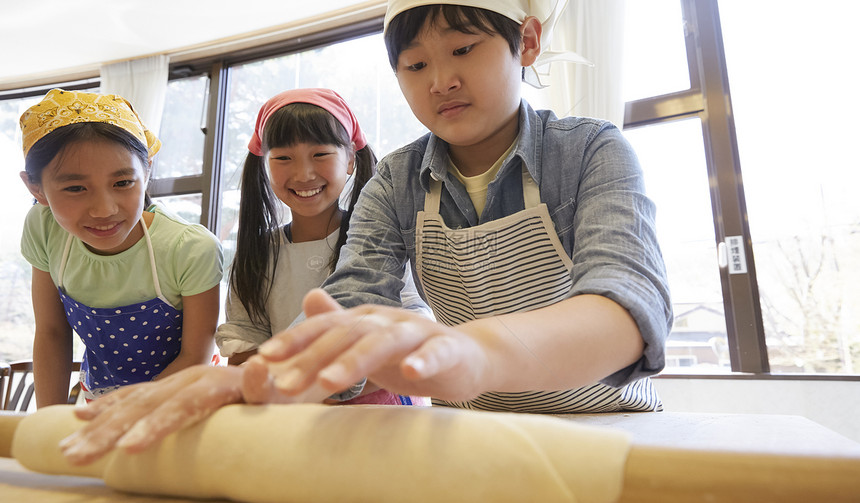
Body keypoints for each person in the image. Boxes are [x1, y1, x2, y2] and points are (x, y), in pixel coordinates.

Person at [59, 0, 671, 465]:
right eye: (416, 64)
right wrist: (253, 378)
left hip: (608, 427)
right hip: (475, 437)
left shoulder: (591, 151)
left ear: (527, 43)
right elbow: (353, 299)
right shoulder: (399, 180)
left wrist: (477, 353)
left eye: (463, 50)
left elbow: (625, 304)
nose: (441, 81)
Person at [216, 88, 430, 405]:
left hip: (380, 412)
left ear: (349, 161)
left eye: (320, 154)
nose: (303, 174)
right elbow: (241, 346)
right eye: (283, 158)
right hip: (289, 412)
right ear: (265, 164)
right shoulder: (257, 254)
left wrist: (325, 389)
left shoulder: (381, 240)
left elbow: (411, 331)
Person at [18, 89, 223, 406]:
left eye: (123, 183)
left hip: (184, 401)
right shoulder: (44, 228)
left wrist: (121, 416)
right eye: (75, 188)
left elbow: (195, 356)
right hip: (99, 400)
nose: (104, 210)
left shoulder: (189, 247)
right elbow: (51, 333)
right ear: (36, 188)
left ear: (147, 171)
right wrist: (50, 419)